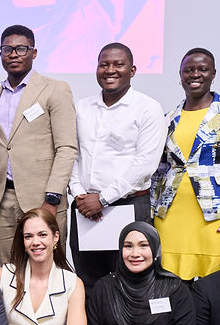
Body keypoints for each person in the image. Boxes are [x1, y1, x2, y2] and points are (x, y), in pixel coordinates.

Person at [152, 48, 220, 281]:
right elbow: (159, 170)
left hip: (217, 216)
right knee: (172, 284)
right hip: (170, 217)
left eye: (202, 69)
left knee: (215, 285)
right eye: (189, 70)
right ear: (180, 76)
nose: (195, 74)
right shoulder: (169, 117)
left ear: (213, 73)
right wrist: (152, 211)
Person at [69, 42, 165, 290]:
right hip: (85, 209)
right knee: (89, 282)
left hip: (129, 206)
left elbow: (145, 164)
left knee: (130, 282)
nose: (110, 70)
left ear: (132, 70)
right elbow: (73, 154)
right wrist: (80, 193)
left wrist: (102, 199)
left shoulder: (148, 108)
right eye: (104, 64)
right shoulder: (82, 108)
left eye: (118, 64)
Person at [0, 24, 77, 264]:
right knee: (10, 271)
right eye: (7, 49)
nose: (13, 54)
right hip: (3, 201)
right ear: (0, 54)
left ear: (33, 53)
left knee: (49, 268)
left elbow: (66, 148)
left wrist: (53, 197)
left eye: (21, 49)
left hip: (43, 198)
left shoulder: (55, 89)